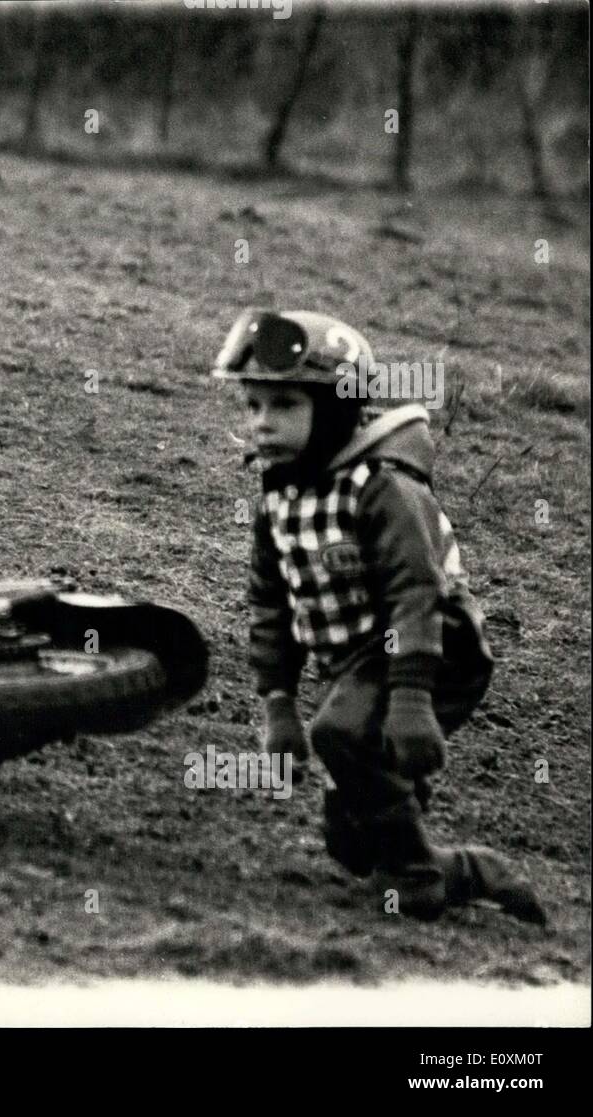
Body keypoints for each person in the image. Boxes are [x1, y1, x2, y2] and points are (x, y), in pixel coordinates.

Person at [213, 308, 546, 924]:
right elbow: (272, 603)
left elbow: (413, 593)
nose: (261, 423)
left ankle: (419, 877)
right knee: (353, 842)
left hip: (433, 651)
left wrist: (412, 700)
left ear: (337, 408)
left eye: (283, 404)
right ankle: (469, 870)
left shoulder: (383, 488)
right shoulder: (280, 496)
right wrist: (278, 703)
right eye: (252, 406)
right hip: (356, 663)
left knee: (339, 734)